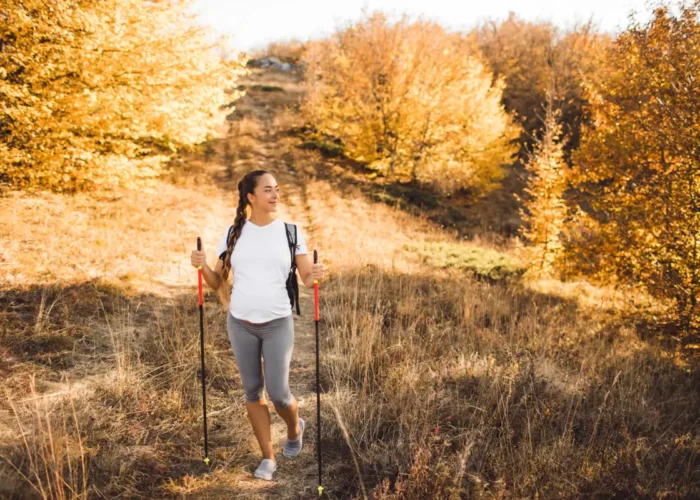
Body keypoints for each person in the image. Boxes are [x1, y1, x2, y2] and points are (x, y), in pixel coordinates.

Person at [190, 169, 326, 481]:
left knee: (278, 393)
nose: (275, 195)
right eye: (267, 190)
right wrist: (200, 267)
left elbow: (307, 279)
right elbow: (215, 282)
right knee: (252, 391)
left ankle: (294, 428)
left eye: (276, 189)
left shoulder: (291, 232)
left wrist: (316, 274)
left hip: (277, 322)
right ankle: (268, 456)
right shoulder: (234, 234)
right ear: (251, 197)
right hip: (240, 323)